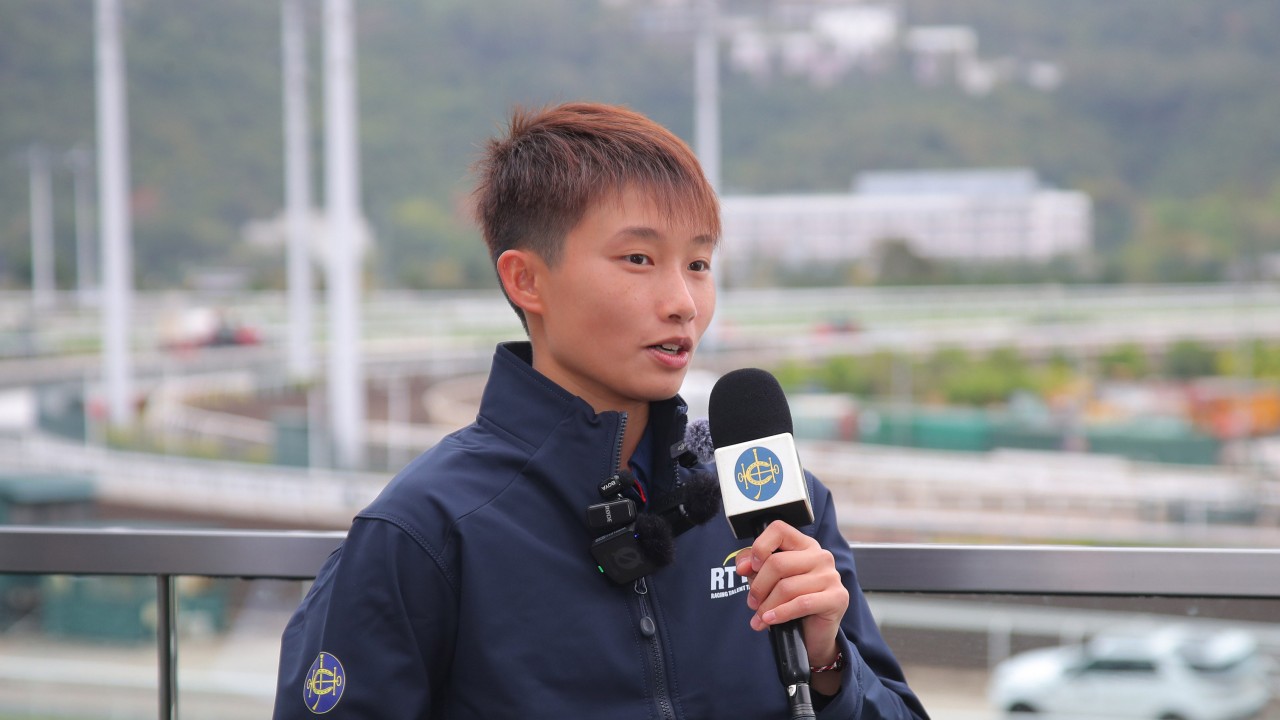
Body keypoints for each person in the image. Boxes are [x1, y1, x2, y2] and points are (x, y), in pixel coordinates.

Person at [273, 101, 928, 719]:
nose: (683, 302)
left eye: (699, 263)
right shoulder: (425, 530)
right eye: (639, 259)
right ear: (525, 279)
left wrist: (828, 662)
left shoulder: (769, 497)